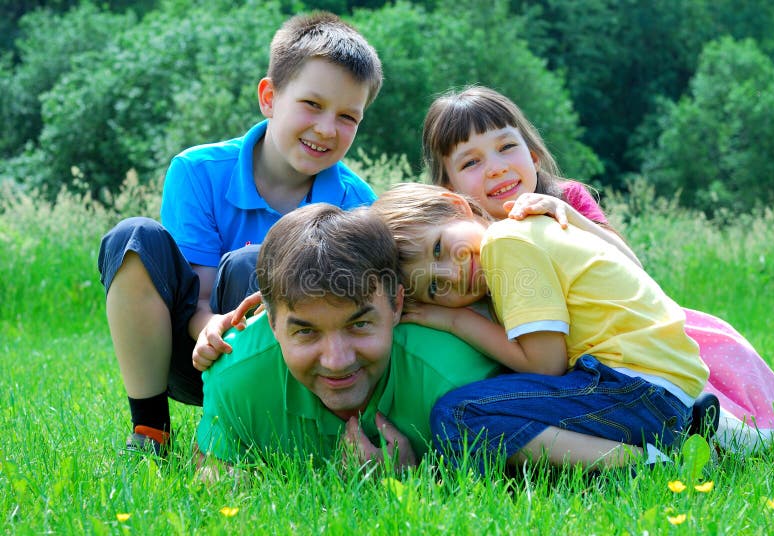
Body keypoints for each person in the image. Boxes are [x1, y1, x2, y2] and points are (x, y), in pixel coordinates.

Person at [418, 85, 774, 450]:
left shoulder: (540, 218)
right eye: (471, 162)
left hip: (622, 363)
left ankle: (665, 450)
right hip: (628, 364)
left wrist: (570, 216)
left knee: (464, 413)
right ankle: (699, 428)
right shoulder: (469, 253)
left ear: (533, 156)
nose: (496, 168)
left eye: (506, 147)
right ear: (449, 191)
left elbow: (634, 269)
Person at [97, 12, 383, 456]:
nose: (327, 129)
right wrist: (212, 326)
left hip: (292, 362)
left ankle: (269, 431)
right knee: (133, 240)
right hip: (194, 348)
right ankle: (150, 432)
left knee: (259, 262)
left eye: (348, 116)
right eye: (312, 104)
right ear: (269, 97)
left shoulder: (358, 202)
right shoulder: (197, 171)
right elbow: (201, 295)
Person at [372, 182, 710, 470]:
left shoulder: (503, 244)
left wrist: (456, 320)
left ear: (456, 206)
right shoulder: (524, 235)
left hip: (635, 389)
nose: (452, 274)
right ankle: (689, 428)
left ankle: (639, 464)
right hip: (659, 386)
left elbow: (547, 366)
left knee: (459, 415)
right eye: (433, 287)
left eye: (439, 248)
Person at [194, 203, 504, 471]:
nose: (337, 360)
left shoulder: (457, 381)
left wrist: (421, 481)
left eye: (359, 325)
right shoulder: (235, 375)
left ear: (397, 305)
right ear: (272, 323)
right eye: (305, 331)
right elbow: (214, 479)